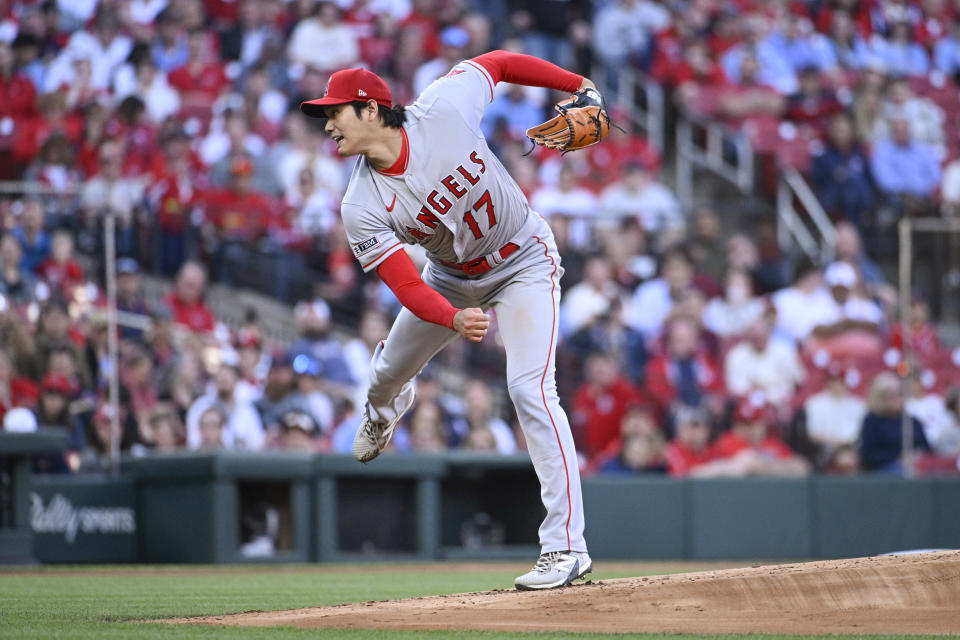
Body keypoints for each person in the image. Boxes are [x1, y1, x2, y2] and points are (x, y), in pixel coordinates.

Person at [300, 50, 596, 590]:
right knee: (385, 374)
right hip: (448, 280)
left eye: (335, 111)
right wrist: (454, 317)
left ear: (370, 111)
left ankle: (566, 547)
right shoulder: (360, 201)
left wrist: (577, 82)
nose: (328, 124)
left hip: (523, 258)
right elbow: (406, 285)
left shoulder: (442, 106)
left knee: (530, 390)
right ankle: (386, 409)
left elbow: (501, 63)